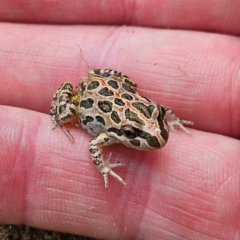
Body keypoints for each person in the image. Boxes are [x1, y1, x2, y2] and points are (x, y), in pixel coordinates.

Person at [0, 2, 239, 239]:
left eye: (156, 123)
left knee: (136, 93)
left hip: (109, 89)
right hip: (85, 98)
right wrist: (103, 167)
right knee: (65, 116)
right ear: (123, 132)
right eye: (134, 133)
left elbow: (160, 108)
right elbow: (93, 145)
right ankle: (60, 114)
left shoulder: (152, 112)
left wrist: (172, 120)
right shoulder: (108, 135)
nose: (156, 135)